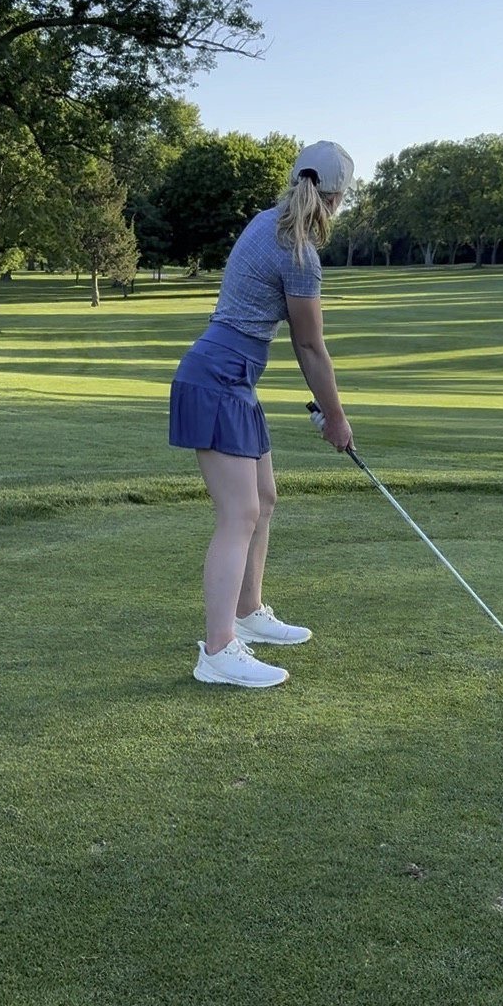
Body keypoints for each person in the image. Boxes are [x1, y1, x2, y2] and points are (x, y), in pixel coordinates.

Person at [169, 140, 355, 689]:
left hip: (232, 381)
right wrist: (336, 417)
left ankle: (248, 611)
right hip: (217, 380)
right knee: (239, 515)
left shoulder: (263, 221)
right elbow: (310, 347)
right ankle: (219, 649)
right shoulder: (300, 254)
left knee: (264, 499)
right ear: (337, 197)